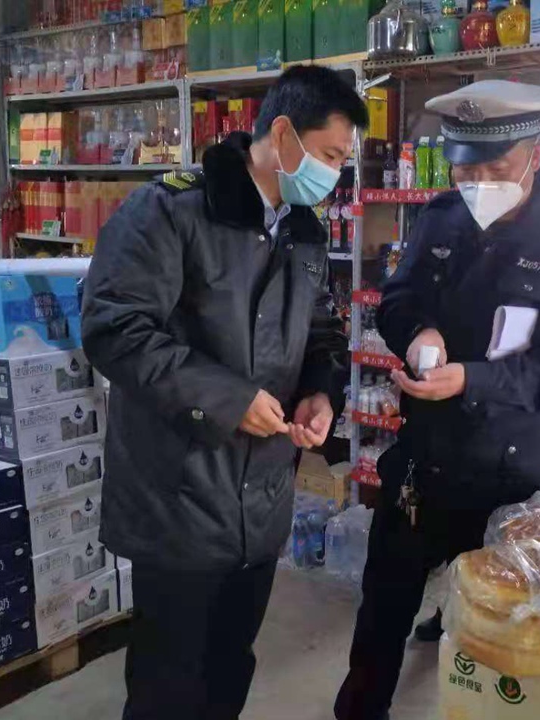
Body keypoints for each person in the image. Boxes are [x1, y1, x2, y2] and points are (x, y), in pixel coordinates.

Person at [81, 66, 366, 720]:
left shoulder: (303, 230)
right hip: (179, 495)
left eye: (341, 162)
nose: (334, 174)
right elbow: (115, 328)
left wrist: (321, 393)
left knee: (230, 663)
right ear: (283, 134)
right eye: (328, 156)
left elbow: (321, 332)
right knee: (167, 682)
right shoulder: (171, 211)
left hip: (261, 499)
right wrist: (228, 398)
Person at [334, 80, 540, 720]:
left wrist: (471, 379)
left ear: (535, 156)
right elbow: (397, 299)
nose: (479, 183)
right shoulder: (440, 216)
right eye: (466, 170)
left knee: (497, 621)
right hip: (424, 452)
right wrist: (415, 331)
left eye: (497, 170)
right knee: (384, 599)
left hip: (506, 466)